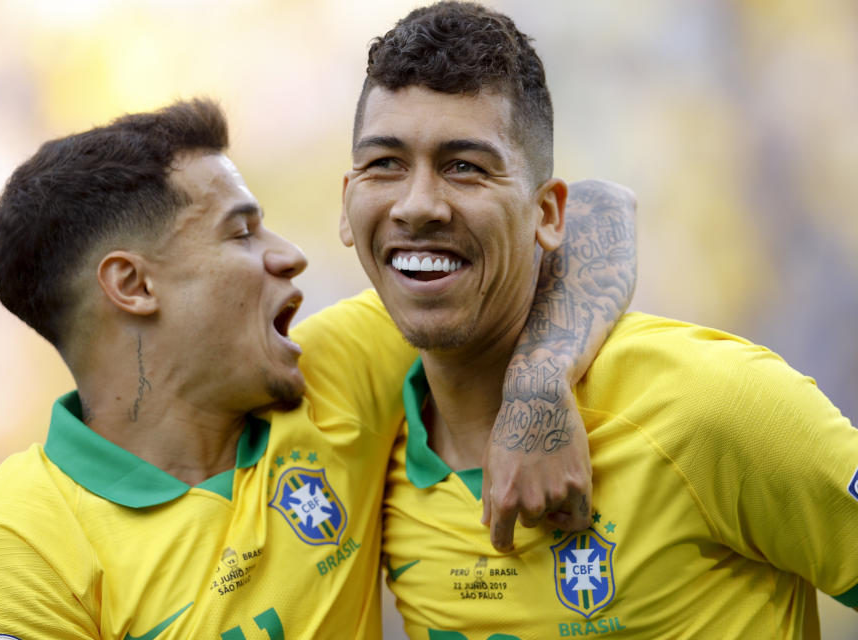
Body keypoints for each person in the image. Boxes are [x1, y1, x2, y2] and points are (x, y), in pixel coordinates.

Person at [0, 98, 635, 637]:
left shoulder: (337, 374)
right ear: (133, 286)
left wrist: (539, 385)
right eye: (241, 231)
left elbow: (591, 215)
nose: (289, 254)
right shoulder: (15, 540)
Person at [338, 2, 858, 638]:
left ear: (550, 214)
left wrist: (537, 382)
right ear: (347, 201)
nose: (417, 205)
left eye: (464, 166)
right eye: (385, 163)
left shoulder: (711, 405)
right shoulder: (363, 458)